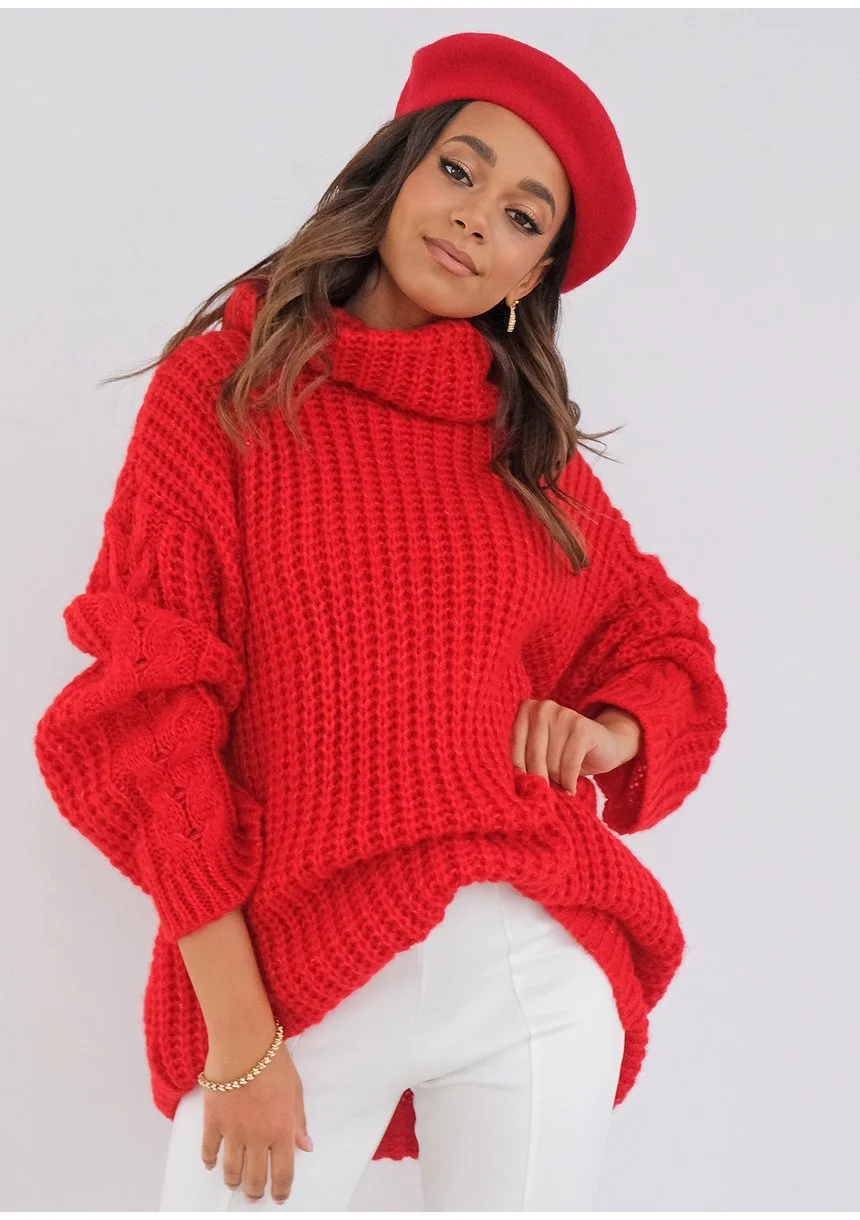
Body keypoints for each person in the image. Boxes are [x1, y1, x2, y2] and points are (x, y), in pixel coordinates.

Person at [33, 31, 728, 1212]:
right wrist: (241, 1036)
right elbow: (150, 718)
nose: (473, 218)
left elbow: (663, 642)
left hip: (526, 969)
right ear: (397, 169)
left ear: (530, 275)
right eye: (459, 169)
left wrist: (608, 727)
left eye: (521, 216)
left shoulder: (526, 460)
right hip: (296, 976)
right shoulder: (226, 391)